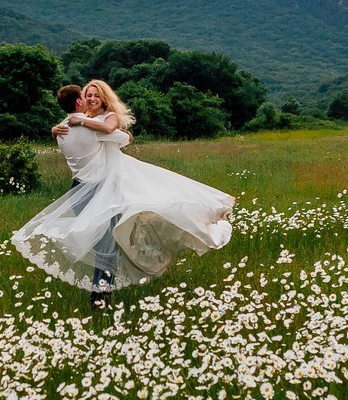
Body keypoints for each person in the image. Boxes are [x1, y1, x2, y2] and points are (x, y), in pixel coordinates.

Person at [13, 79, 234, 299]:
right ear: (80, 101)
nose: (91, 98)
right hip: (99, 191)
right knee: (109, 247)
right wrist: (119, 132)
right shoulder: (92, 128)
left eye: (96, 95)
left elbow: (108, 133)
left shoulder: (62, 129)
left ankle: (101, 292)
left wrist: (62, 128)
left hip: (78, 191)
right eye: (87, 95)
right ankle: (100, 295)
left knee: (105, 244)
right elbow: (123, 137)